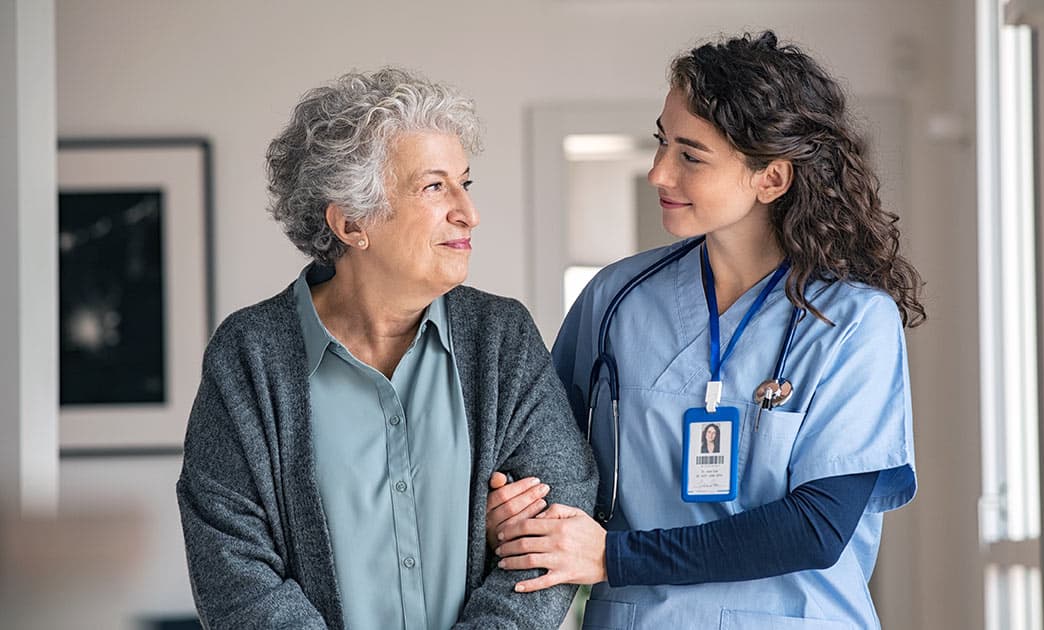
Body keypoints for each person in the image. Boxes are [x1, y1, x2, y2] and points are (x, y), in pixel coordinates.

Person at [485, 31, 924, 629]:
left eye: (690, 156)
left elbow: (818, 527)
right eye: (661, 143)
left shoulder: (851, 322)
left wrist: (614, 556)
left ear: (771, 178)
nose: (658, 172)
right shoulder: (615, 300)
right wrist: (510, 508)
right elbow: (542, 458)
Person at [176, 68, 597, 630]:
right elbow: (234, 569)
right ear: (351, 222)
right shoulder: (248, 356)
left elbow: (556, 522)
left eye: (464, 184)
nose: (468, 213)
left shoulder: (501, 337)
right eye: (433, 186)